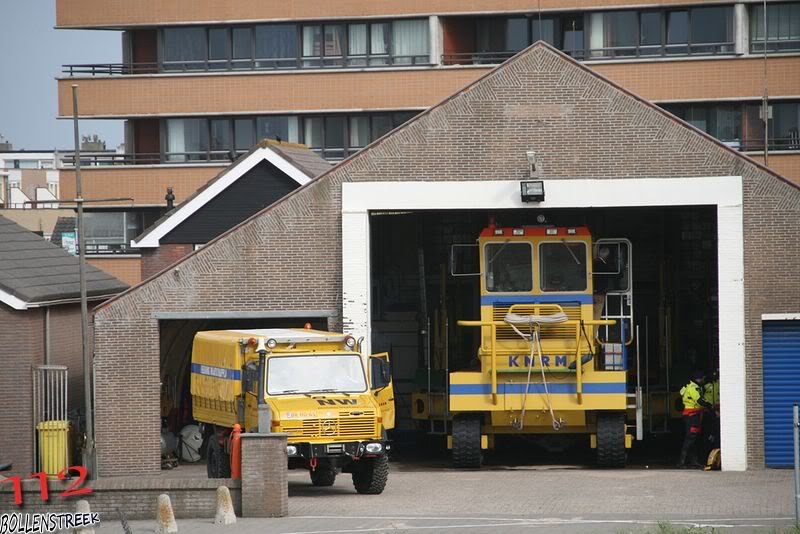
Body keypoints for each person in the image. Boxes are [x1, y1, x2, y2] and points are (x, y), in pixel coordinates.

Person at [677, 370, 711, 468]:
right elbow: (699, 400)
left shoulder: (687, 386)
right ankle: (682, 462)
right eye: (703, 379)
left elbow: (681, 393)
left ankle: (692, 461)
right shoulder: (694, 388)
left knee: (693, 438)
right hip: (692, 415)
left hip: (690, 415)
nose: (703, 380)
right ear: (699, 379)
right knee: (690, 438)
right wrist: (709, 405)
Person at [702, 370, 721, 453]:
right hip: (707, 411)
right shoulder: (704, 386)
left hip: (717, 411)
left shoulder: (720, 384)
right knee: (707, 432)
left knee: (716, 431)